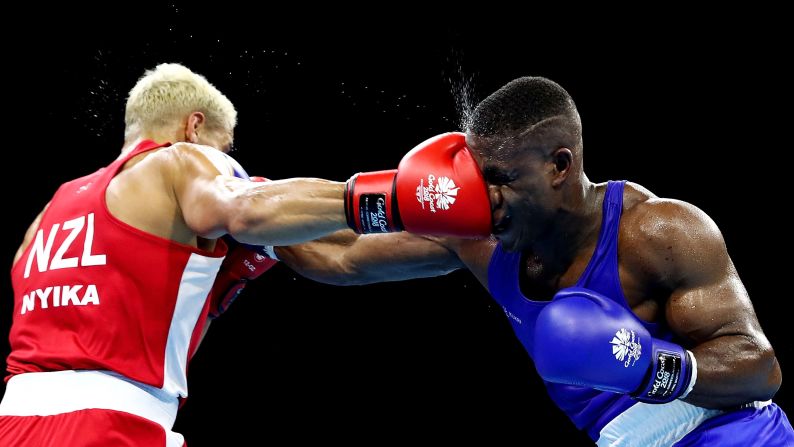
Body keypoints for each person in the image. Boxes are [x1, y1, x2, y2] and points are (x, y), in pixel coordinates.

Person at [274, 77, 794, 445]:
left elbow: (761, 369)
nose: (485, 199)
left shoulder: (661, 231)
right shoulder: (478, 239)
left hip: (730, 433)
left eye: (501, 179)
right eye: (478, 180)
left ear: (559, 165)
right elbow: (341, 256)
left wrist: (647, 368)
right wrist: (248, 223)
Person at [0, 63, 491, 446]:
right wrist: (398, 198)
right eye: (225, 147)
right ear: (195, 127)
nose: (229, 164)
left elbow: (342, 257)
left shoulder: (47, 216)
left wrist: (455, 248)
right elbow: (245, 211)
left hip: (14, 424)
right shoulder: (177, 161)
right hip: (112, 428)